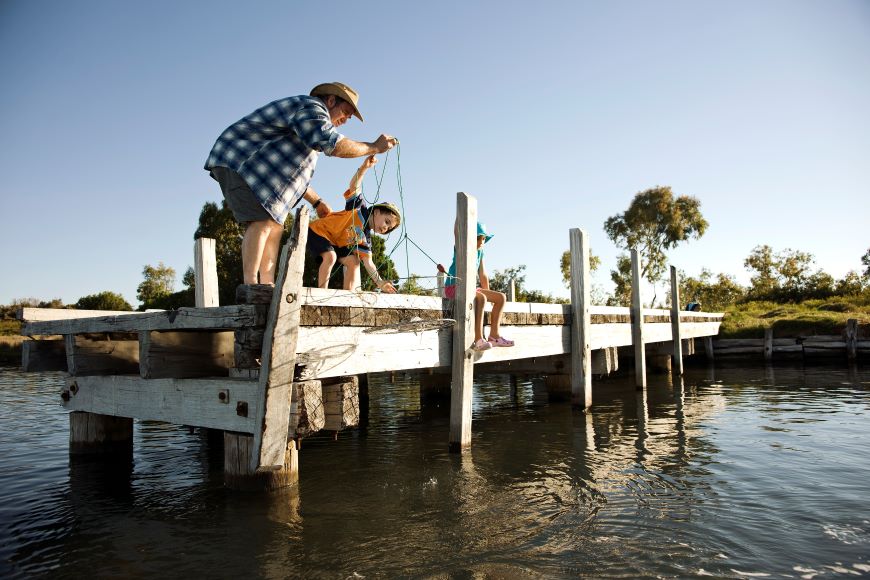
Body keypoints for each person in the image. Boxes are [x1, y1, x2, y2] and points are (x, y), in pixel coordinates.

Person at [204, 82, 398, 285]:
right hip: (241, 159)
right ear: (331, 100)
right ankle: (252, 285)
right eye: (346, 111)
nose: (346, 119)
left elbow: (296, 179)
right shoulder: (312, 108)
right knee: (262, 221)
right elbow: (332, 144)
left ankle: (266, 285)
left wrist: (317, 202)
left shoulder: (306, 136)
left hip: (261, 171)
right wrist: (374, 147)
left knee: (275, 225)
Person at [307, 155, 400, 293]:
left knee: (354, 261)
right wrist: (364, 168)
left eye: (389, 228)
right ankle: (322, 293)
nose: (386, 227)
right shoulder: (359, 208)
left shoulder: (365, 240)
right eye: (387, 221)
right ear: (376, 211)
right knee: (330, 257)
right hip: (319, 231)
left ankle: (348, 296)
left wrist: (380, 282)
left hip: (335, 243)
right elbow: (354, 186)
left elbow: (369, 263)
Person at [440, 222, 515, 351]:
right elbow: (456, 232)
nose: (481, 241)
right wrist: (459, 216)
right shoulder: (462, 247)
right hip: (454, 287)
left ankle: (494, 336)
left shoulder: (480, 253)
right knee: (481, 298)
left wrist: (489, 293)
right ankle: (478, 339)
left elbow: (483, 275)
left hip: (469, 288)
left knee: (501, 297)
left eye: (484, 238)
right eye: (478, 238)